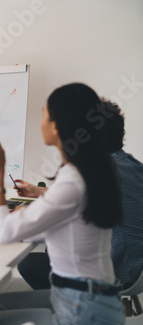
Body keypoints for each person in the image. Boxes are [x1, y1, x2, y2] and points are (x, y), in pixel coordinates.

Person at [0, 83, 126, 325]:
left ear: (58, 126)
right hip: (87, 299)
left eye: (44, 114)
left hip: (84, 311)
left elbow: (6, 234)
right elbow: (53, 223)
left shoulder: (73, 181)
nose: (41, 122)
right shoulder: (90, 171)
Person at [16, 99, 143, 291]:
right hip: (135, 265)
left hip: (115, 271)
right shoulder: (130, 165)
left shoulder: (98, 170)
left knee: (29, 262)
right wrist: (39, 191)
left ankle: (70, 308)